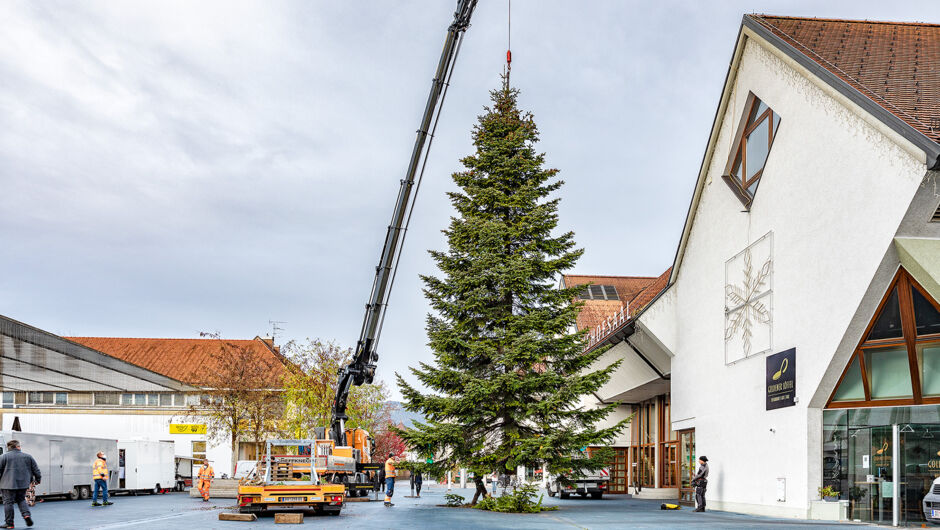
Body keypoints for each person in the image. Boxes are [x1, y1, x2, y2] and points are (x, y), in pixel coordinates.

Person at [0, 439, 40, 528]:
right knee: (21, 500)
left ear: (9, 448)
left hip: (7, 485)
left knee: (8, 503)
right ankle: (26, 515)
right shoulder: (28, 457)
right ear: (18, 447)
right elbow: (36, 470)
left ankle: (9, 523)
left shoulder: (3, 457)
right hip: (23, 484)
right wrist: (38, 479)